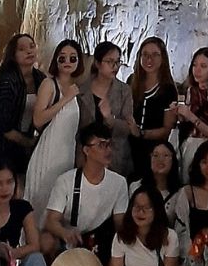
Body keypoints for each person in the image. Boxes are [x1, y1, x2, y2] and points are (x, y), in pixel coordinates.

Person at [42, 122, 129, 263]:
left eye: (109, 144)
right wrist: (65, 233)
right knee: (46, 241)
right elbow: (51, 221)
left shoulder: (119, 183)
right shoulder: (66, 180)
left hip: (99, 239)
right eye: (101, 145)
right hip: (70, 239)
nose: (107, 150)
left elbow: (120, 223)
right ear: (86, 150)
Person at [24, 39, 83, 222]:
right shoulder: (49, 85)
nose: (67, 62)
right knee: (41, 201)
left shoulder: (74, 88)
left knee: (58, 204)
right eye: (62, 58)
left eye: (72, 58)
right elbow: (38, 119)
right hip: (48, 153)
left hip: (66, 155)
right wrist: (65, 99)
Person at [0, 34, 47, 193]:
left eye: (32, 46)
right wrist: (27, 142)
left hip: (28, 143)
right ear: (13, 54)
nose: (29, 51)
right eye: (22, 49)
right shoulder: (8, 81)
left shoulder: (40, 79)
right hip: (5, 147)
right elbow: (2, 122)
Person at [78, 41, 135, 177]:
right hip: (87, 156)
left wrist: (110, 119)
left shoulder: (124, 90)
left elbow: (129, 127)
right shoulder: (81, 91)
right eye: (109, 61)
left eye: (117, 62)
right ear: (97, 63)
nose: (114, 66)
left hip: (115, 156)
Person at [129, 36, 178, 175]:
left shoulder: (167, 89)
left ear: (162, 58)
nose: (149, 59)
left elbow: (166, 129)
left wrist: (141, 133)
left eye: (155, 55)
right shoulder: (132, 82)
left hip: (154, 152)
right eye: (145, 55)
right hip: (130, 148)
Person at [176, 47, 208, 178]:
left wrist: (191, 117)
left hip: (205, 147)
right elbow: (184, 120)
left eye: (203, 66)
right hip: (187, 145)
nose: (197, 70)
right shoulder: (190, 91)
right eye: (195, 65)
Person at [129, 141, 183, 228]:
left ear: (173, 160)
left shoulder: (180, 193)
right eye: (155, 155)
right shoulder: (135, 187)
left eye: (165, 155)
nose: (160, 160)